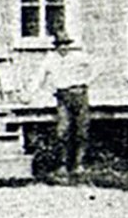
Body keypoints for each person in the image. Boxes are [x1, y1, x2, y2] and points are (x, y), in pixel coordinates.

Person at [27, 25, 93, 176]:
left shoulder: (78, 57)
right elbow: (39, 78)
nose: (63, 48)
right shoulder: (50, 60)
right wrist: (29, 94)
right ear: (56, 47)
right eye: (60, 45)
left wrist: (87, 81)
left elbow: (96, 67)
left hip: (80, 95)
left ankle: (79, 164)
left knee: (82, 130)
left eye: (66, 45)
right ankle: (62, 164)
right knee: (63, 130)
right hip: (63, 96)